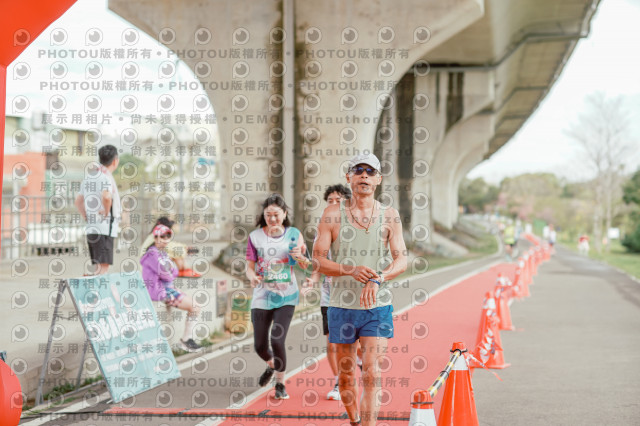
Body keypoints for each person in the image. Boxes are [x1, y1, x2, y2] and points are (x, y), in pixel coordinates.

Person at [312, 153, 407, 426]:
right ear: (349, 177)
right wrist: (349, 270)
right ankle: (354, 420)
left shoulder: (390, 216)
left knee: (372, 373)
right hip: (341, 307)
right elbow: (318, 260)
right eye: (358, 170)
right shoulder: (332, 214)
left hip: (377, 306)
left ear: (378, 179)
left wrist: (379, 278)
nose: (364, 175)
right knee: (345, 376)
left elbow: (402, 259)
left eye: (370, 171)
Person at [245, 194, 311, 400]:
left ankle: (280, 384)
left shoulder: (294, 234)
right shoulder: (255, 237)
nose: (272, 218)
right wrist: (252, 277)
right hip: (262, 295)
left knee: (277, 339)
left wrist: (300, 256)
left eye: (276, 214)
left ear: (284, 214)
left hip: (286, 295)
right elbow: (249, 267)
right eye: (268, 215)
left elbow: (306, 265)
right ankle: (272, 365)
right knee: (260, 346)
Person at [309, 184, 352, 401]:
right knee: (331, 342)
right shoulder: (322, 229)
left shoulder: (356, 228)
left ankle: (356, 364)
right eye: (330, 201)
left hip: (353, 295)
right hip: (329, 296)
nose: (333, 204)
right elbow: (318, 262)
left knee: (356, 343)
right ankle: (338, 381)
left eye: (338, 200)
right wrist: (312, 279)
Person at [141, 224, 203, 352]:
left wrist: (170, 272)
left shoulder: (162, 253)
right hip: (160, 291)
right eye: (162, 236)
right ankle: (186, 340)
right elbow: (167, 274)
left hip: (167, 288)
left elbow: (174, 271)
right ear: (155, 238)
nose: (165, 239)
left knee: (196, 306)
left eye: (167, 236)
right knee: (195, 307)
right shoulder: (153, 254)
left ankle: (187, 340)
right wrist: (169, 272)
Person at [74, 144, 121, 275]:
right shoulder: (106, 177)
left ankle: (92, 286)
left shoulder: (89, 177)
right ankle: (93, 288)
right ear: (115, 161)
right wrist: (106, 211)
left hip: (92, 228)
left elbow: (78, 201)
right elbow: (106, 196)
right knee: (103, 268)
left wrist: (86, 216)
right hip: (105, 228)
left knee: (98, 267)